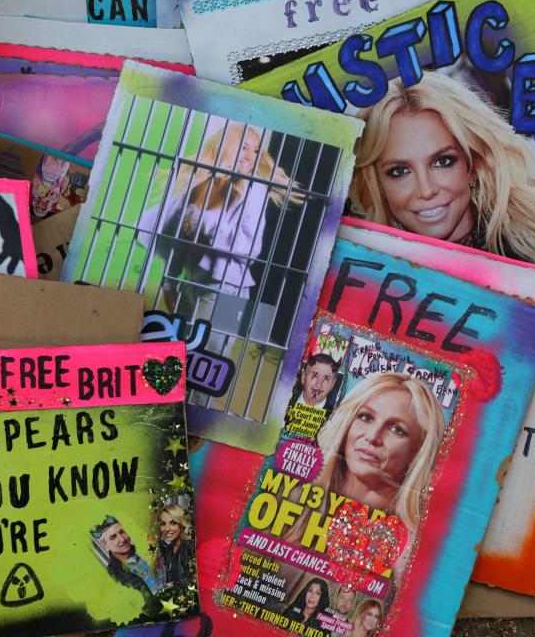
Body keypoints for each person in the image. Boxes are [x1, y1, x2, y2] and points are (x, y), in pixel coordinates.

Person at [350, 72, 535, 272]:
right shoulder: (369, 276)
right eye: (399, 171)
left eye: (442, 161)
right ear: (379, 183)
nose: (426, 190)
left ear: (473, 165)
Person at [137, 123, 302, 344]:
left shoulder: (254, 191)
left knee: (210, 360)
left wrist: (207, 224)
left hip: (229, 288)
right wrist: (169, 280)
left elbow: (251, 249)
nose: (250, 156)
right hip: (191, 280)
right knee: (178, 354)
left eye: (255, 150)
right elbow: (177, 237)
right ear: (226, 146)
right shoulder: (203, 182)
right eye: (243, 147)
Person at [313, 372, 445, 532]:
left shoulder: (414, 542)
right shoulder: (296, 492)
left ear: (417, 454)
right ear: (347, 425)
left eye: (397, 429)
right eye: (366, 417)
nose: (373, 436)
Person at [91, 515, 159, 595]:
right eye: (113, 537)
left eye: (122, 532)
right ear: (104, 544)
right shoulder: (113, 576)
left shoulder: (146, 549)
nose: (122, 539)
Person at [154, 503, 194, 589]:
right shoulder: (166, 549)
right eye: (163, 524)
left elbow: (192, 582)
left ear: (181, 524)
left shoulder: (190, 548)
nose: (167, 529)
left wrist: (171, 585)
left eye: (172, 523)